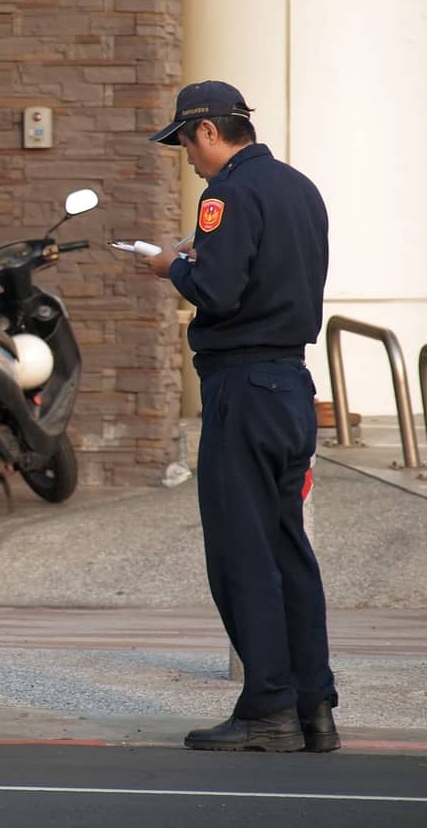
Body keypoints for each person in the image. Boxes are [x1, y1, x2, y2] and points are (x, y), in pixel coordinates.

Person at [143, 80, 339, 753]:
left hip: (243, 387)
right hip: (291, 382)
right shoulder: (300, 188)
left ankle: (267, 707)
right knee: (288, 550)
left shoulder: (225, 194)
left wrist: (175, 265)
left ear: (205, 132)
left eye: (184, 145)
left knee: (242, 553)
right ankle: (314, 705)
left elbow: (220, 294)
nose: (187, 159)